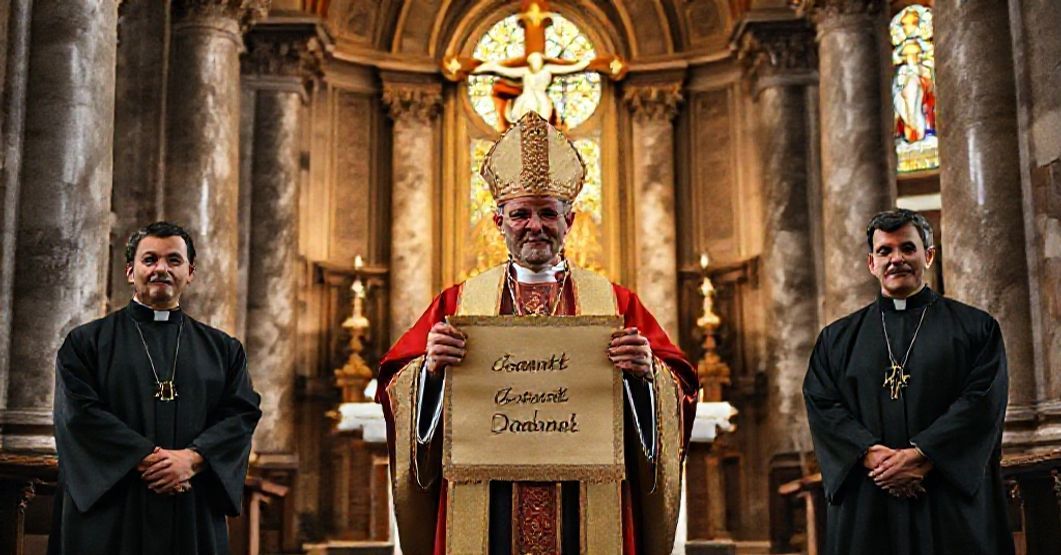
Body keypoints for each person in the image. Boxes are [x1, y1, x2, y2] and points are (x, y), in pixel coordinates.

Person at [378, 112, 698, 554]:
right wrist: (429, 372)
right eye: (521, 214)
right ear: (498, 222)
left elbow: (677, 384)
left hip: (587, 492)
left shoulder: (616, 304)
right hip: (487, 492)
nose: (535, 225)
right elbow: (397, 382)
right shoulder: (458, 304)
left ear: (569, 220)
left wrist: (647, 377)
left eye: (548, 213)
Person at [803, 209, 1013, 555]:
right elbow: (822, 403)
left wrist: (924, 455)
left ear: (928, 256)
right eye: (885, 251)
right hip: (870, 495)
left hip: (946, 497)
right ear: (871, 263)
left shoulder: (976, 329)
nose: (896, 259)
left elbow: (982, 402)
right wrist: (870, 455)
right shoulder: (836, 340)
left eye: (907, 248)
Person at [49, 221, 262, 555]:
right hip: (114, 504)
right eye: (150, 260)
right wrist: (147, 459)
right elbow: (78, 416)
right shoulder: (86, 342)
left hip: (190, 501)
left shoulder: (223, 349)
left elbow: (241, 414)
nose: (161, 269)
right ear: (130, 271)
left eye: (173, 261)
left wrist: (192, 459)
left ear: (190, 272)